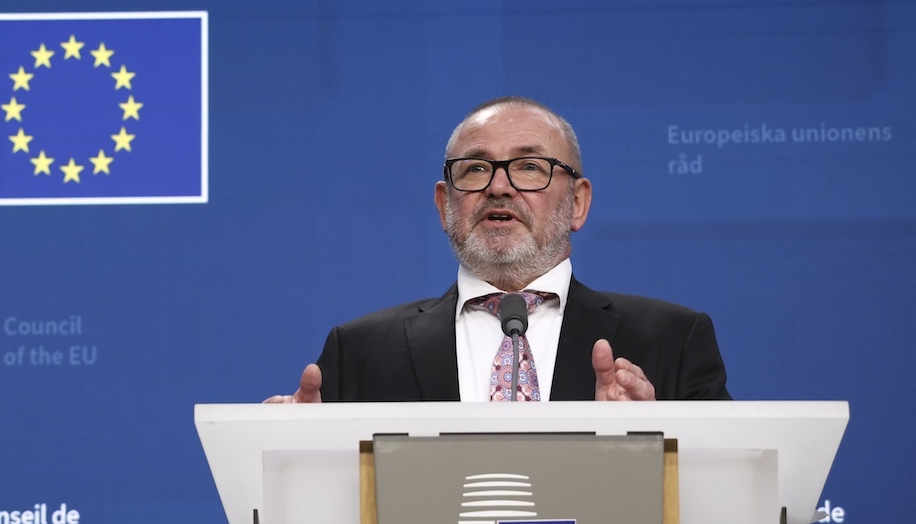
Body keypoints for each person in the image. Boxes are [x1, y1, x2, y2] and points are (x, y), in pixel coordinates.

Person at [268, 96, 730, 404]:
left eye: (529, 166)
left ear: (578, 202)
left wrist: (659, 440)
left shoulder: (672, 342)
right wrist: (293, 452)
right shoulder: (360, 352)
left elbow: (726, 498)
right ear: (444, 204)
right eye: (475, 169)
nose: (499, 187)